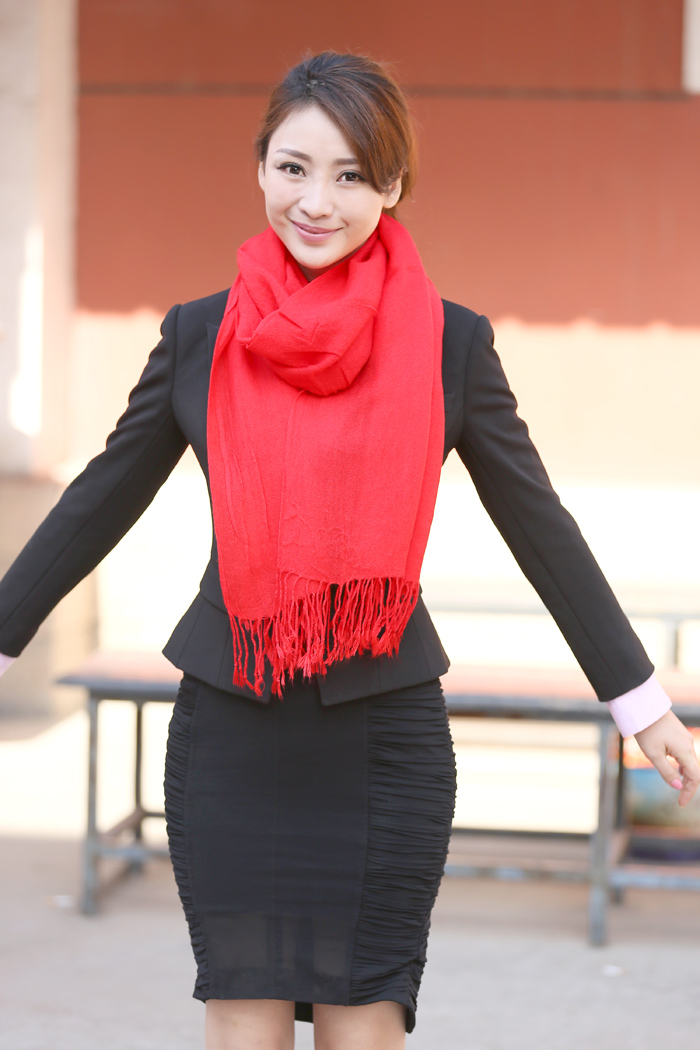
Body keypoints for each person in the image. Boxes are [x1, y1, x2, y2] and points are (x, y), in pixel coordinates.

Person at [0, 50, 698, 1050]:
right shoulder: (200, 336)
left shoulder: (450, 344)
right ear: (259, 168)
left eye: (350, 175)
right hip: (231, 729)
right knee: (240, 1017)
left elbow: (540, 527)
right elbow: (96, 502)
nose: (316, 201)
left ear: (393, 185)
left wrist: (642, 706)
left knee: (365, 1021)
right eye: (293, 168)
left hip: (383, 740)